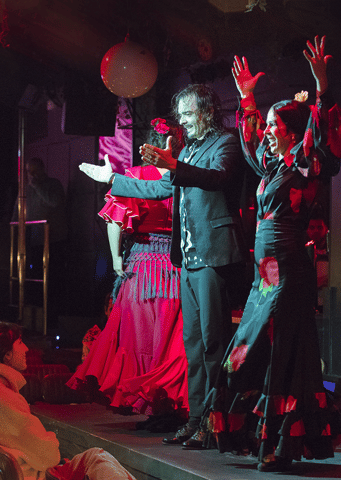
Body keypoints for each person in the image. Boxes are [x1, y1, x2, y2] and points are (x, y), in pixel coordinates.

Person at [204, 36, 341, 472]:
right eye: (266, 124)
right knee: (249, 349)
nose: (266, 131)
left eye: (273, 124)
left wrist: (322, 89)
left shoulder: (307, 164)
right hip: (264, 277)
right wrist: (246, 98)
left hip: (288, 274)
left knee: (280, 351)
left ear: (293, 129)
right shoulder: (273, 168)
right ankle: (263, 438)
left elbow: (326, 139)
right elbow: (250, 144)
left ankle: (278, 445)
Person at [79, 84, 247, 449]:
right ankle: (197, 418)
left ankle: (218, 421)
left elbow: (217, 178)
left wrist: (174, 164)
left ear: (205, 111)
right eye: (181, 116)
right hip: (186, 260)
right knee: (193, 344)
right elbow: (160, 190)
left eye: (187, 115)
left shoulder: (226, 143)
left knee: (214, 342)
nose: (183, 122)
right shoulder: (190, 147)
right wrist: (112, 180)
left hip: (213, 255)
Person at [0, 321, 180, 480]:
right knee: (94, 458)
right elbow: (49, 455)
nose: (27, 348)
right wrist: (51, 442)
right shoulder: (0, 398)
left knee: (95, 456)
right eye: (20, 342)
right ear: (7, 355)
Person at [68, 119, 188, 431]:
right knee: (152, 337)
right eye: (170, 142)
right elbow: (116, 218)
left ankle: (163, 407)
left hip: (164, 263)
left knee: (160, 339)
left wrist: (117, 257)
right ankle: (159, 407)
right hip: (157, 262)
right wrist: (117, 257)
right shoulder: (153, 174)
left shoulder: (172, 174)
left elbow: (116, 219)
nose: (173, 147)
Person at [14, 157, 68, 328]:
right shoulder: (26, 189)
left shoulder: (53, 184)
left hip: (54, 240)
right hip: (34, 241)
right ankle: (34, 320)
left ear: (43, 169)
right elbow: (18, 211)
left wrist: (37, 186)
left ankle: (52, 322)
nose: (32, 175)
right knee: (34, 282)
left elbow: (54, 202)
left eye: (35, 171)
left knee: (53, 282)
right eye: (29, 172)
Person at [306, 211, 330, 311]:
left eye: (319, 227)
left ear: (326, 229)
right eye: (312, 228)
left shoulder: (333, 253)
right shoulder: (303, 252)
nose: (316, 231)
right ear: (307, 230)